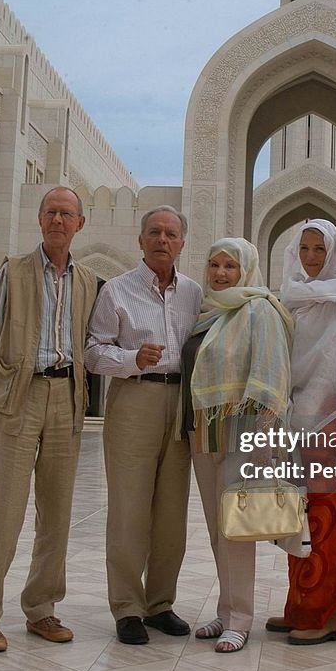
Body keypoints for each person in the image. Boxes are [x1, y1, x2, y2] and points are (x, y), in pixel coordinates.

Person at [0, 187, 97, 653]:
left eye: (66, 214)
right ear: (40, 220)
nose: (57, 220)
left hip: (66, 394)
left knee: (57, 511)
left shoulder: (87, 280)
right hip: (22, 394)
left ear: (80, 223)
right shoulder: (13, 271)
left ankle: (41, 608)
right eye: (50, 213)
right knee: (7, 509)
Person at [84, 206, 202, 645]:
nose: (162, 240)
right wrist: (132, 360)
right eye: (154, 232)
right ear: (140, 240)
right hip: (135, 398)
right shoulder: (117, 290)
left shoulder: (193, 292)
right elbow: (94, 351)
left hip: (180, 402)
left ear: (182, 243)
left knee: (171, 512)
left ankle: (160, 604)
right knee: (130, 508)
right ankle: (128, 607)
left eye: (171, 234)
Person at [181, 238, 292, 653]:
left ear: (246, 269)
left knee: (236, 528)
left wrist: (263, 432)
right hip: (203, 430)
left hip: (242, 431)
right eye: (215, 265)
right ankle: (227, 611)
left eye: (231, 266)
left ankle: (241, 618)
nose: (222, 273)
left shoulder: (259, 309)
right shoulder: (207, 314)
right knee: (216, 529)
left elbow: (272, 367)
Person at [265, 220, 336, 645]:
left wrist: (311, 411)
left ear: (333, 253)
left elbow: (334, 365)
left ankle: (328, 613)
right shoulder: (287, 295)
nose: (310, 257)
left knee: (326, 517)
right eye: (304, 248)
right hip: (292, 420)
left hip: (325, 422)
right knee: (297, 513)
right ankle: (301, 606)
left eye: (319, 250)